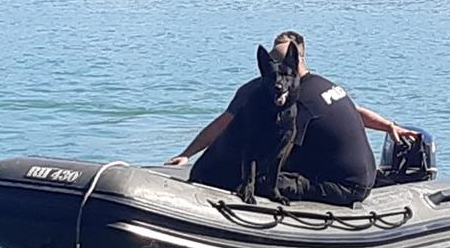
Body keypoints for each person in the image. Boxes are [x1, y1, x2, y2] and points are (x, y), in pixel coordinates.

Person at [167, 31, 418, 206]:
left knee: (260, 181)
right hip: (364, 177)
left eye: (280, 65)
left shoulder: (297, 101)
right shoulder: (325, 86)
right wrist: (387, 125)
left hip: (341, 187)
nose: (275, 76)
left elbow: (280, 149)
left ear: (295, 61)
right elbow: (356, 111)